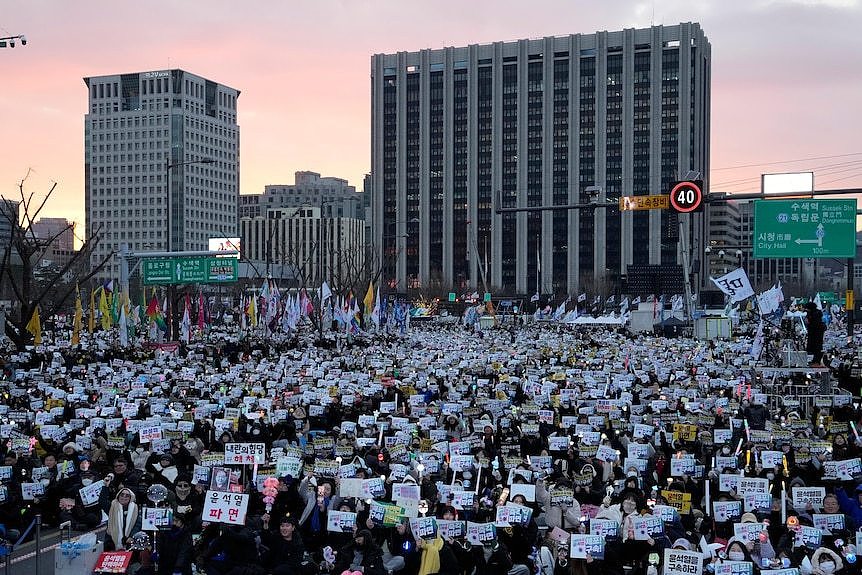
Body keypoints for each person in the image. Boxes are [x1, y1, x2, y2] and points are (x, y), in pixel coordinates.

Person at [805, 301, 826, 366]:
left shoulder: (813, 315)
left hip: (814, 334)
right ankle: (815, 361)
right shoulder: (817, 314)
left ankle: (816, 361)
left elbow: (811, 323)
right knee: (817, 348)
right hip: (816, 334)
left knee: (816, 348)